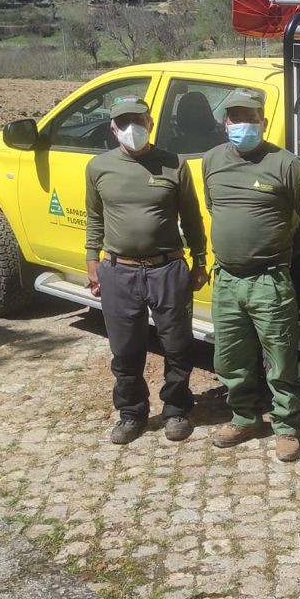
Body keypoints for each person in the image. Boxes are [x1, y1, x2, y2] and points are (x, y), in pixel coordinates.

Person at [201, 88, 300, 462]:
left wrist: (285, 251)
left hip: (269, 280)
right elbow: (213, 206)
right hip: (227, 279)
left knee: (281, 358)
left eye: (250, 119)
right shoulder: (211, 161)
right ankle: (244, 416)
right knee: (230, 358)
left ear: (263, 123)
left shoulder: (285, 164)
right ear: (225, 123)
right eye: (235, 118)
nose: (242, 125)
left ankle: (287, 426)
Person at [85, 95, 208, 445]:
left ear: (150, 124)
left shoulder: (173, 164)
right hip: (118, 271)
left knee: (178, 345)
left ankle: (177, 410)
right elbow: (95, 217)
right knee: (125, 349)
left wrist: (199, 261)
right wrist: (92, 262)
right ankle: (131, 412)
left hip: (167, 269)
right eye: (123, 123)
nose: (131, 128)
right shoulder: (98, 168)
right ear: (113, 128)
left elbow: (192, 217)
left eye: (138, 121)